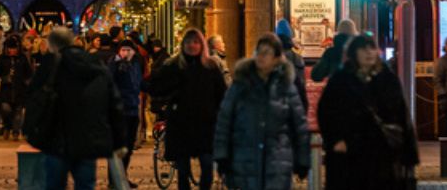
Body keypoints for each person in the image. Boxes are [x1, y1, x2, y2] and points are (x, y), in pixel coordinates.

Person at [24, 27, 122, 190]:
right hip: (87, 137)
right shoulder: (92, 61)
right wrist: (119, 138)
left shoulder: (50, 64)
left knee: (54, 184)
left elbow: (34, 96)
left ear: (52, 45)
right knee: (85, 184)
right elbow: (113, 100)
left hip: (56, 137)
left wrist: (30, 129)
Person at [315, 34, 417, 190]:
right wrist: (335, 140)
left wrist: (409, 151)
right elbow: (326, 112)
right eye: (363, 48)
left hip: (383, 151)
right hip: (351, 152)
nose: (369, 52)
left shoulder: (388, 79)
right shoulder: (341, 80)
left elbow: (402, 115)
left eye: (372, 48)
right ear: (354, 53)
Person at [213, 33, 309, 190]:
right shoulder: (241, 85)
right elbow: (225, 121)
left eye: (267, 52)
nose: (261, 56)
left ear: (277, 59)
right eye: (259, 51)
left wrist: (302, 159)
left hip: (277, 163)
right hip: (244, 161)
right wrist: (222, 156)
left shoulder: (285, 87)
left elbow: (299, 124)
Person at [145, 28, 227, 190]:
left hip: (206, 125)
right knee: (182, 170)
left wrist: (220, 115)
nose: (192, 46)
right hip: (181, 125)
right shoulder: (174, 66)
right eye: (189, 42)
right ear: (183, 45)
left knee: (207, 166)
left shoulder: (210, 66)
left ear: (202, 44)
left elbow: (221, 94)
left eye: (196, 42)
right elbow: (157, 87)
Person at [108, 39, 144, 178]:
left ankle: (123, 176)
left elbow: (139, 83)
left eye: (128, 50)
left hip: (133, 109)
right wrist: (118, 65)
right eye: (123, 50)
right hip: (119, 110)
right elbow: (109, 81)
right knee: (118, 147)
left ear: (134, 52)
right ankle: (114, 179)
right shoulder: (114, 64)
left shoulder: (135, 64)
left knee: (129, 147)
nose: (126, 52)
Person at [0, 36, 34, 140]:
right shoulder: (2, 58)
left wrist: (27, 84)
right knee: (5, 109)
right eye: (10, 48)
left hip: (19, 89)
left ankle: (16, 132)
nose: (12, 51)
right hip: (6, 89)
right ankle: (7, 126)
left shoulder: (22, 58)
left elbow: (29, 73)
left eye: (14, 48)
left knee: (18, 112)